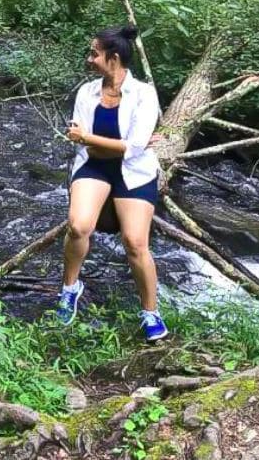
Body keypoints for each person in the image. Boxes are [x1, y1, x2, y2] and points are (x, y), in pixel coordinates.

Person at [56, 24, 168, 342]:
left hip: (134, 172)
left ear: (113, 58)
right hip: (95, 167)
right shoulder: (86, 92)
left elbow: (131, 149)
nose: (89, 59)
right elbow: (87, 148)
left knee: (135, 243)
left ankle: (150, 312)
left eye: (94, 53)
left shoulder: (144, 94)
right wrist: (113, 142)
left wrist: (92, 137)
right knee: (78, 226)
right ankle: (69, 289)